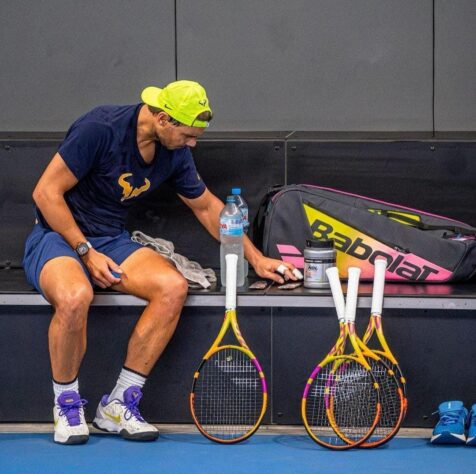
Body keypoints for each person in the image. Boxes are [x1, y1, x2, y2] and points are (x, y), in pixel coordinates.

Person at [23, 80, 300, 445]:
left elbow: (205, 206)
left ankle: (119, 404)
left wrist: (256, 257)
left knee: (173, 287)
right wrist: (85, 251)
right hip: (57, 236)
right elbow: (45, 192)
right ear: (163, 118)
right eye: (187, 135)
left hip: (111, 239)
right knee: (75, 297)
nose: (192, 143)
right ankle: (67, 404)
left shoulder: (174, 151)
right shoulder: (100, 128)